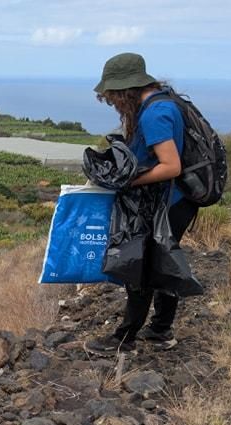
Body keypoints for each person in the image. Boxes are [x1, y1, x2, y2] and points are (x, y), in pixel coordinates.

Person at [85, 52, 200, 355]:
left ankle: (124, 338)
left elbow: (171, 166)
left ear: (126, 89)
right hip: (175, 201)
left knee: (142, 266)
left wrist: (126, 182)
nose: (112, 102)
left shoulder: (154, 114)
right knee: (164, 262)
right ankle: (161, 331)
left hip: (167, 203)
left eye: (113, 96)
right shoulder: (163, 101)